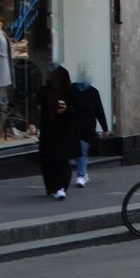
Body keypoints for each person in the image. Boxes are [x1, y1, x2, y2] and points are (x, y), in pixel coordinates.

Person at [36, 65, 79, 199]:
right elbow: (38, 107)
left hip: (63, 131)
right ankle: (51, 187)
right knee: (48, 159)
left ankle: (61, 187)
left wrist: (67, 109)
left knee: (61, 159)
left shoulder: (69, 91)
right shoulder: (44, 91)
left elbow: (76, 109)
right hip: (48, 130)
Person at [71, 72, 108, 186]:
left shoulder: (93, 92)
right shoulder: (71, 89)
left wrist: (105, 128)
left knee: (81, 150)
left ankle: (81, 175)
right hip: (72, 127)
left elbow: (99, 111)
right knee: (77, 152)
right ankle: (83, 173)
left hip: (87, 127)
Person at [0, 19, 13, 139]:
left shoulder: (3, 33)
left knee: (3, 96)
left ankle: (2, 125)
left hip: (5, 64)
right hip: (0, 66)